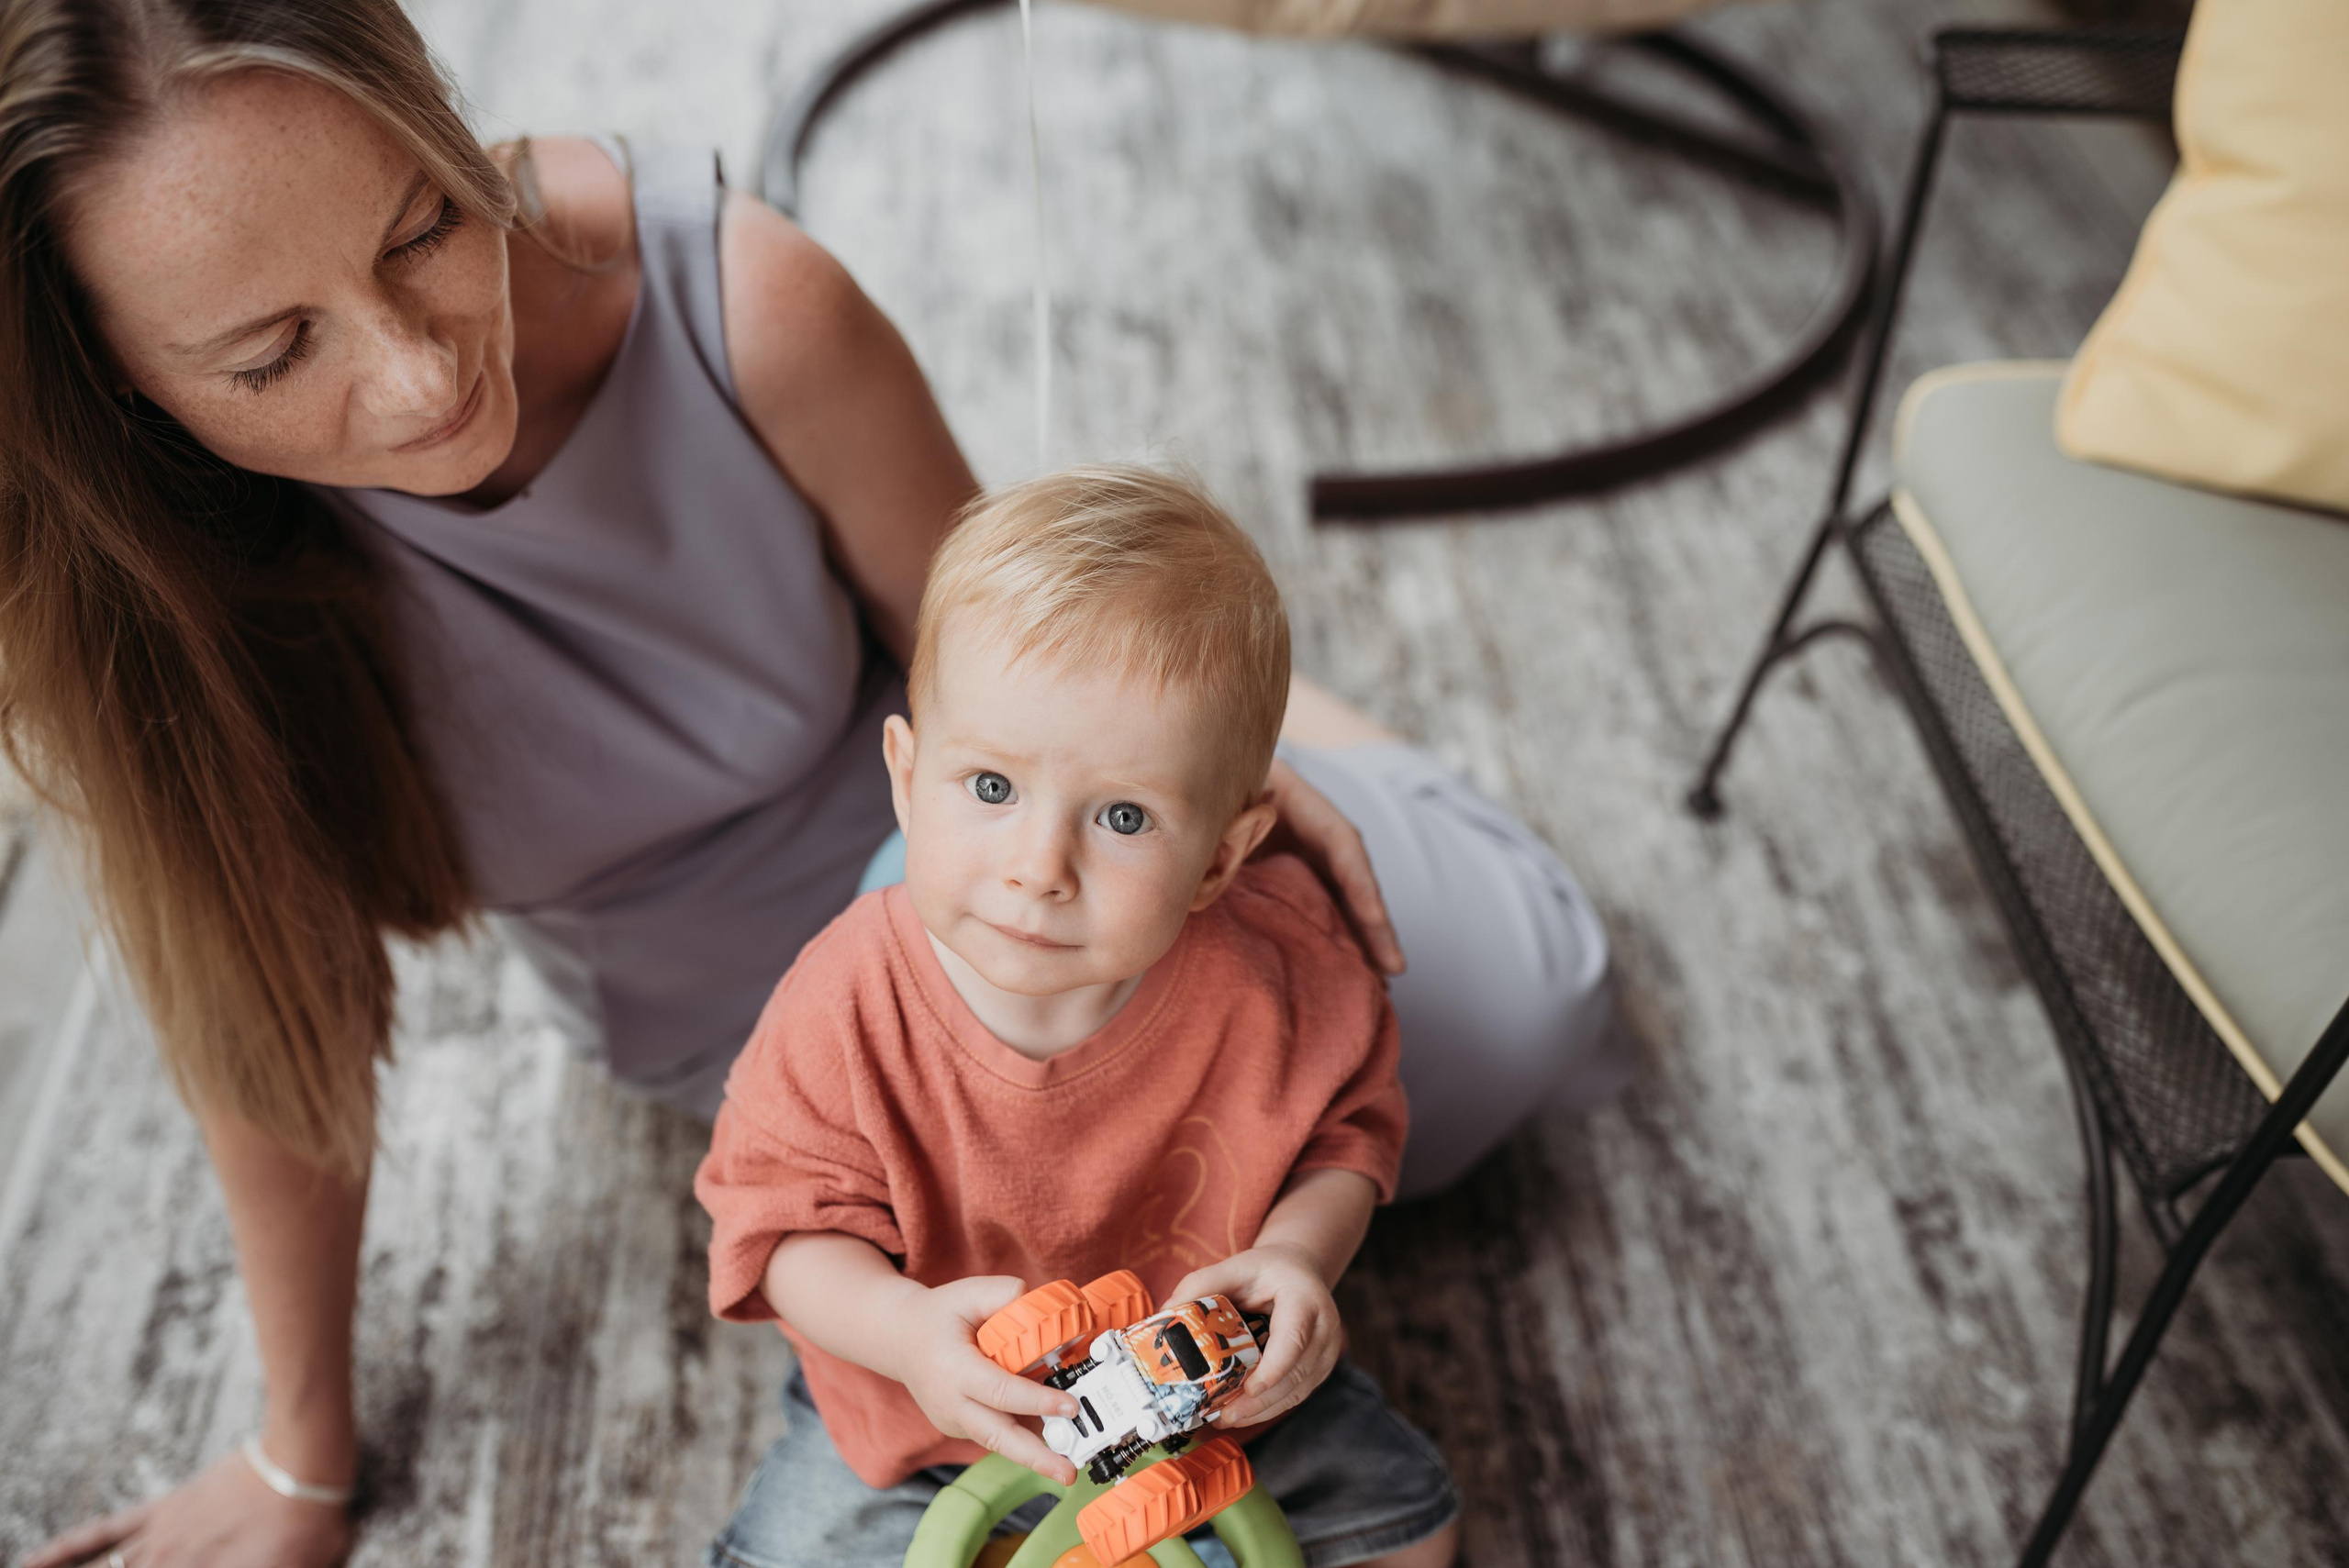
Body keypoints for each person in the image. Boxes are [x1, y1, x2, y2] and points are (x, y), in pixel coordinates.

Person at [0, 2, 1617, 1563]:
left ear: (438, 116)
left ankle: (1274, 722)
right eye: (274, 353)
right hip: (747, 1017)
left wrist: (1202, 790)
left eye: (423, 227)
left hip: (994, 830)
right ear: (113, 375)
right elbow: (258, 1012)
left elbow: (983, 638)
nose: (424, 379)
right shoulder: (135, 579)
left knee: (1508, 1023)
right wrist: (303, 1448)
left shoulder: (743, 304)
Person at [694, 465, 1458, 1568]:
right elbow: (778, 1232)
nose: (1039, 866)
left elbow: (1344, 1137)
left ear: (1223, 855)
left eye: (1123, 816)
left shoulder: (1275, 972)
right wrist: (903, 1334)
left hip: (1211, 1410)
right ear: (906, 777)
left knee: (1416, 1525)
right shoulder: (847, 1000)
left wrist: (1298, 1259)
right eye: (991, 787)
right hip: (926, 1417)